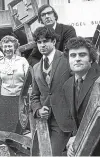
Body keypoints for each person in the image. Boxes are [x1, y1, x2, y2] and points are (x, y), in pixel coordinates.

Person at [61, 37, 100, 156]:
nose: (77, 59)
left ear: (91, 58)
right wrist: (74, 139)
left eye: (82, 55)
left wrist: (79, 137)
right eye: (73, 55)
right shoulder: (67, 85)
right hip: (83, 149)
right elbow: (76, 119)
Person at [30, 26, 75, 156]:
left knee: (52, 154)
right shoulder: (36, 67)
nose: (42, 45)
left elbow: (78, 90)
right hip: (43, 122)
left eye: (45, 41)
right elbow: (34, 96)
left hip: (64, 121)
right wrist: (38, 110)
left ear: (54, 42)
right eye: (39, 42)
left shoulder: (67, 59)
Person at [0, 35, 30, 134]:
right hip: (6, 100)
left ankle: (22, 148)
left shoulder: (22, 61)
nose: (7, 49)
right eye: (5, 46)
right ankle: (12, 148)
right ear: (2, 48)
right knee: (7, 129)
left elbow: (29, 80)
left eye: (10, 46)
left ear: (14, 47)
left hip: (20, 99)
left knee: (21, 126)